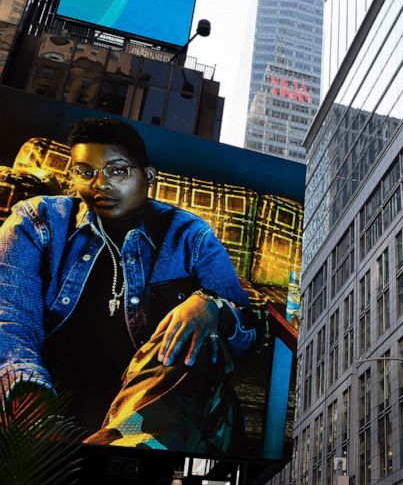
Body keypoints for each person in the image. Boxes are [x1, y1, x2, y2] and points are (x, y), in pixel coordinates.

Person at [0, 117, 255, 453]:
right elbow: (10, 320)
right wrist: (34, 412)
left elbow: (245, 333)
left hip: (154, 401)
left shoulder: (190, 236)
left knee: (197, 329)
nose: (100, 184)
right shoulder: (38, 221)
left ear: (148, 176)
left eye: (117, 171)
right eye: (85, 172)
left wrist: (212, 306)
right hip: (49, 401)